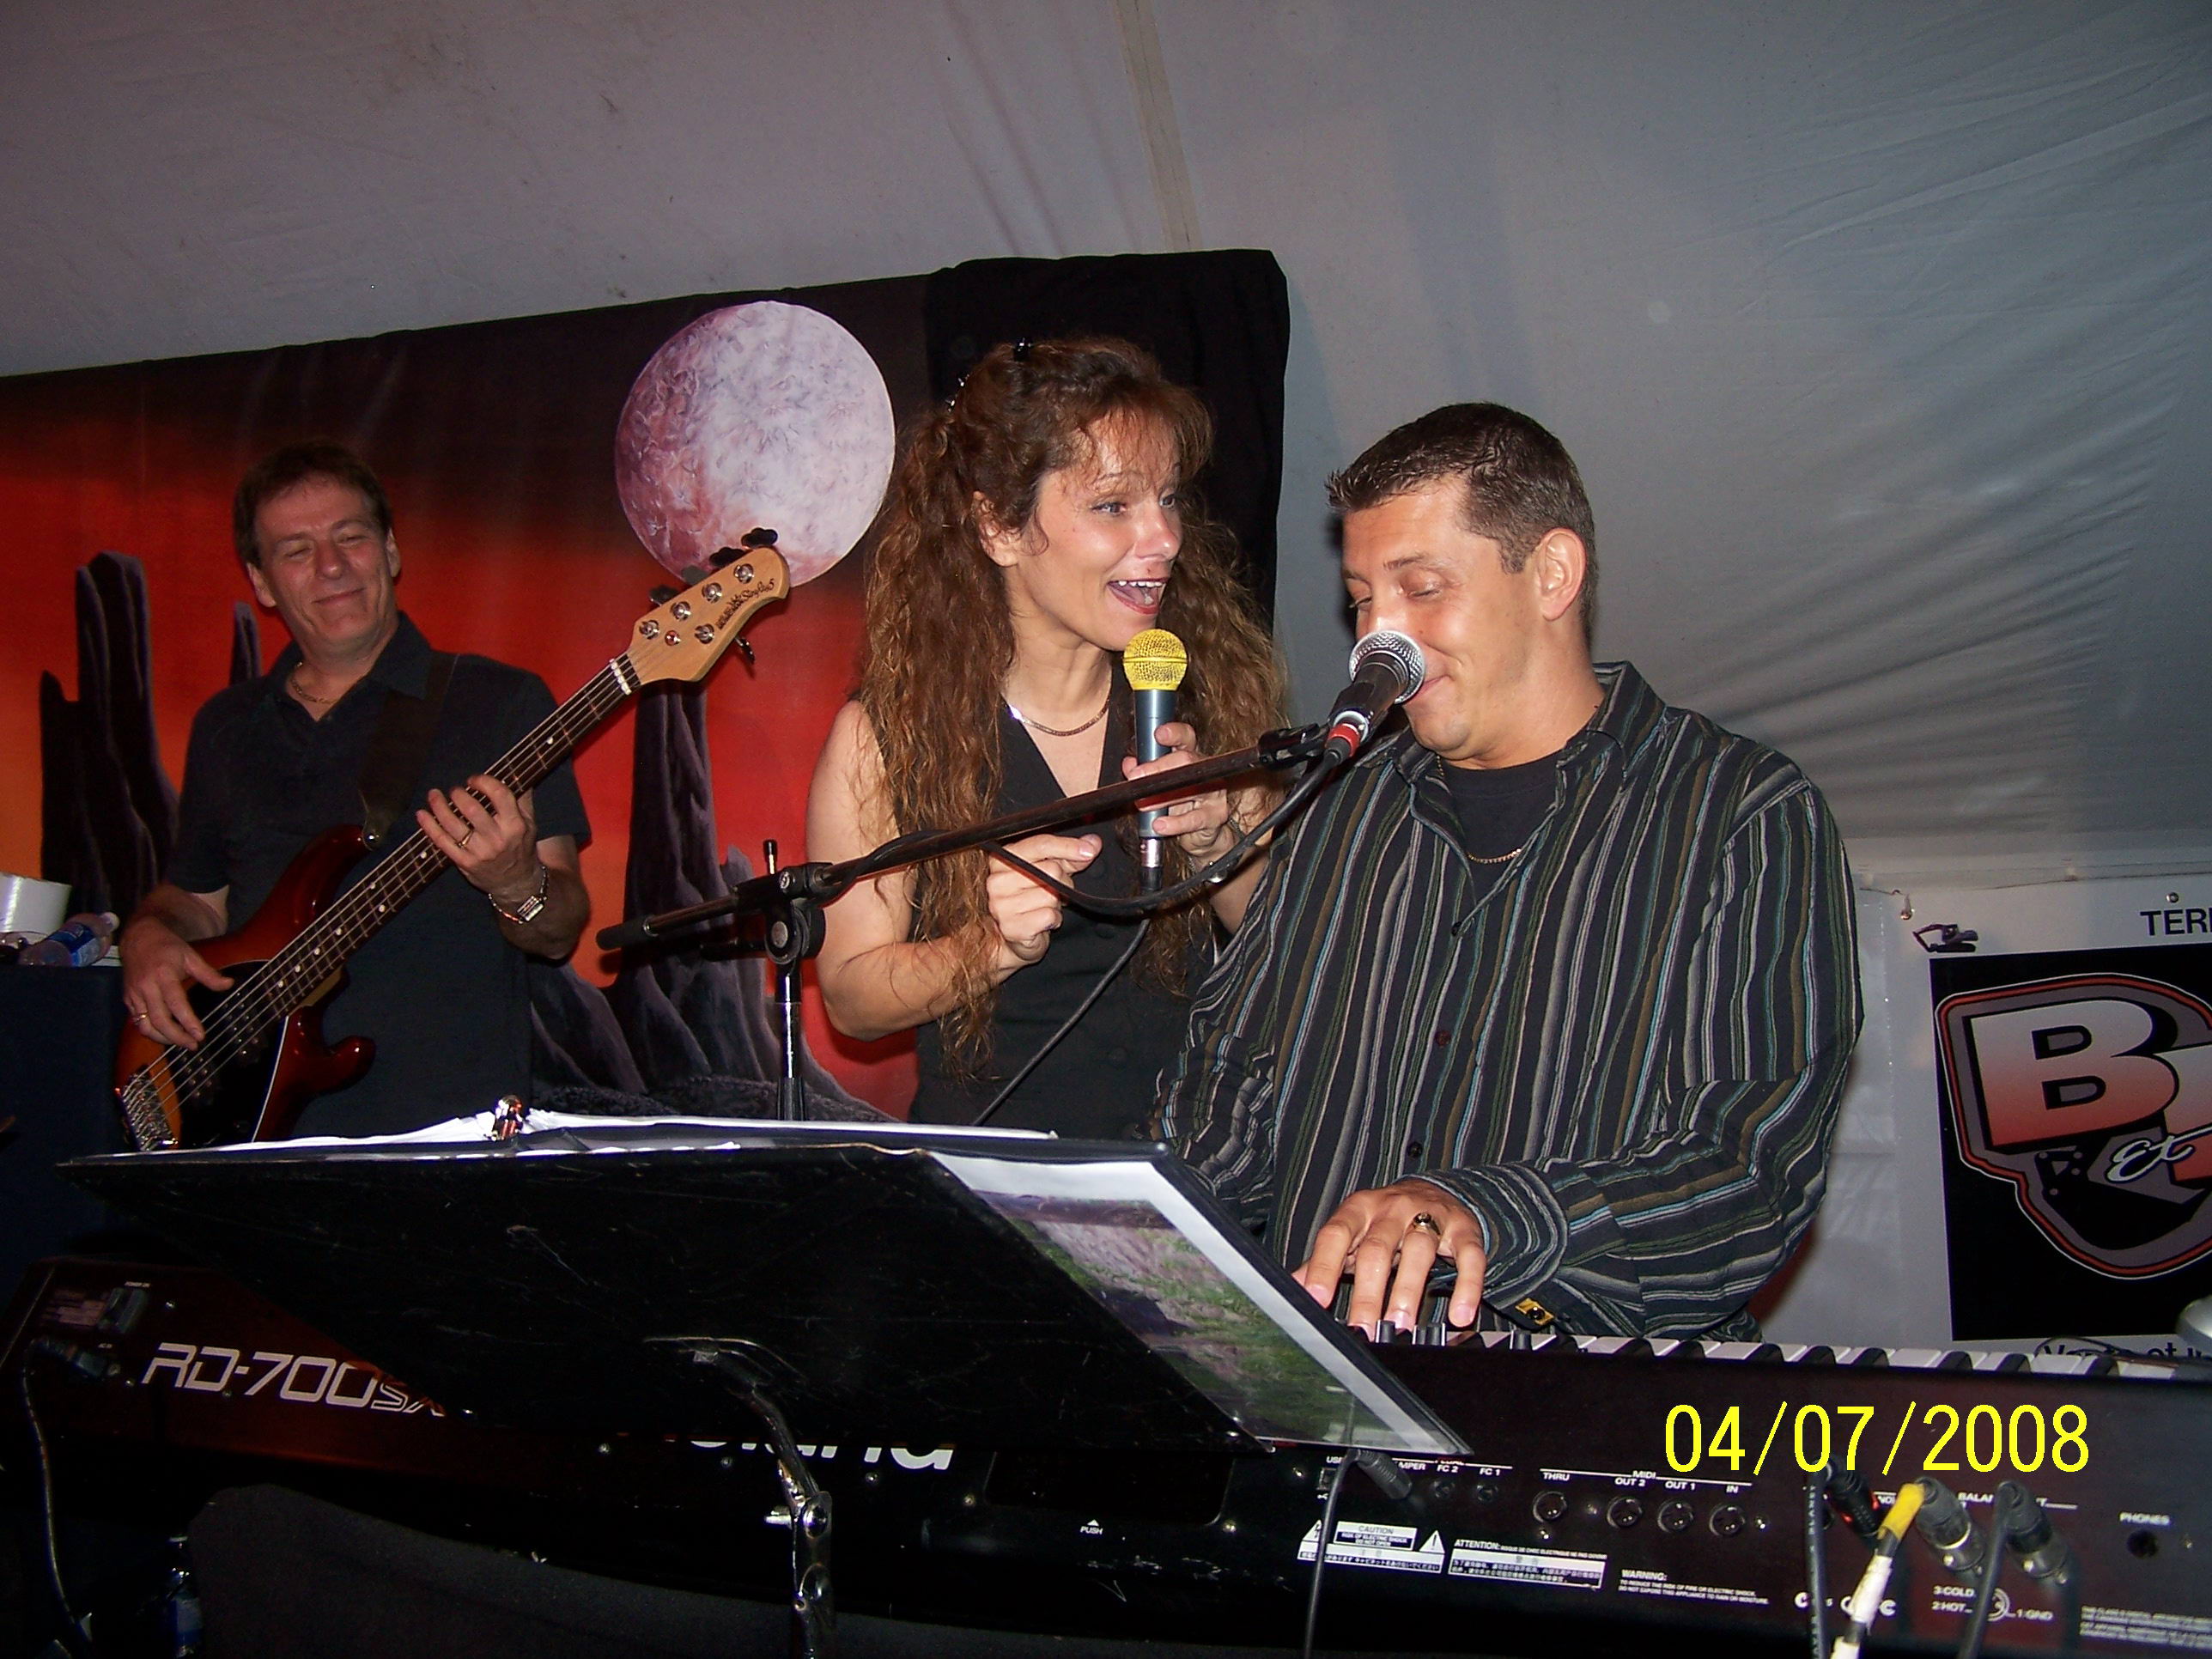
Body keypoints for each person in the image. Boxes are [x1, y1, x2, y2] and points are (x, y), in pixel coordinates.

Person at [1158, 404, 1860, 1340]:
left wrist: (1485, 1215)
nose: (1379, 640)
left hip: (1577, 1402)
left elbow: (1745, 1179)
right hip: (1330, 1391)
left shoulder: (1740, 814)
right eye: (1363, 599)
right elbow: (1232, 1094)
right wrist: (1116, 1224)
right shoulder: (1342, 809)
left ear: (1553, 574)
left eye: (1421, 588)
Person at [807, 337, 1284, 1136]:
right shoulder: (886, 736)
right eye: (1113, 505)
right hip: (1000, 1171)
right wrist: (986, 946)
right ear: (998, 526)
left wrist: (1220, 845)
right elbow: (852, 998)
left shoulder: (1206, 694)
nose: (1164, 536)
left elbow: (1296, 952)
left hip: (1195, 1160)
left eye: (1168, 499)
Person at [118, 441, 590, 1136]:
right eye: (296, 550)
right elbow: (195, 899)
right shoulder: (227, 725)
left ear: (390, 552)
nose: (331, 566)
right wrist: (148, 935)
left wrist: (517, 883)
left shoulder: (500, 702)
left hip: (446, 1133)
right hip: (251, 1134)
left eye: (350, 537)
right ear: (262, 583)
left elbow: (559, 932)